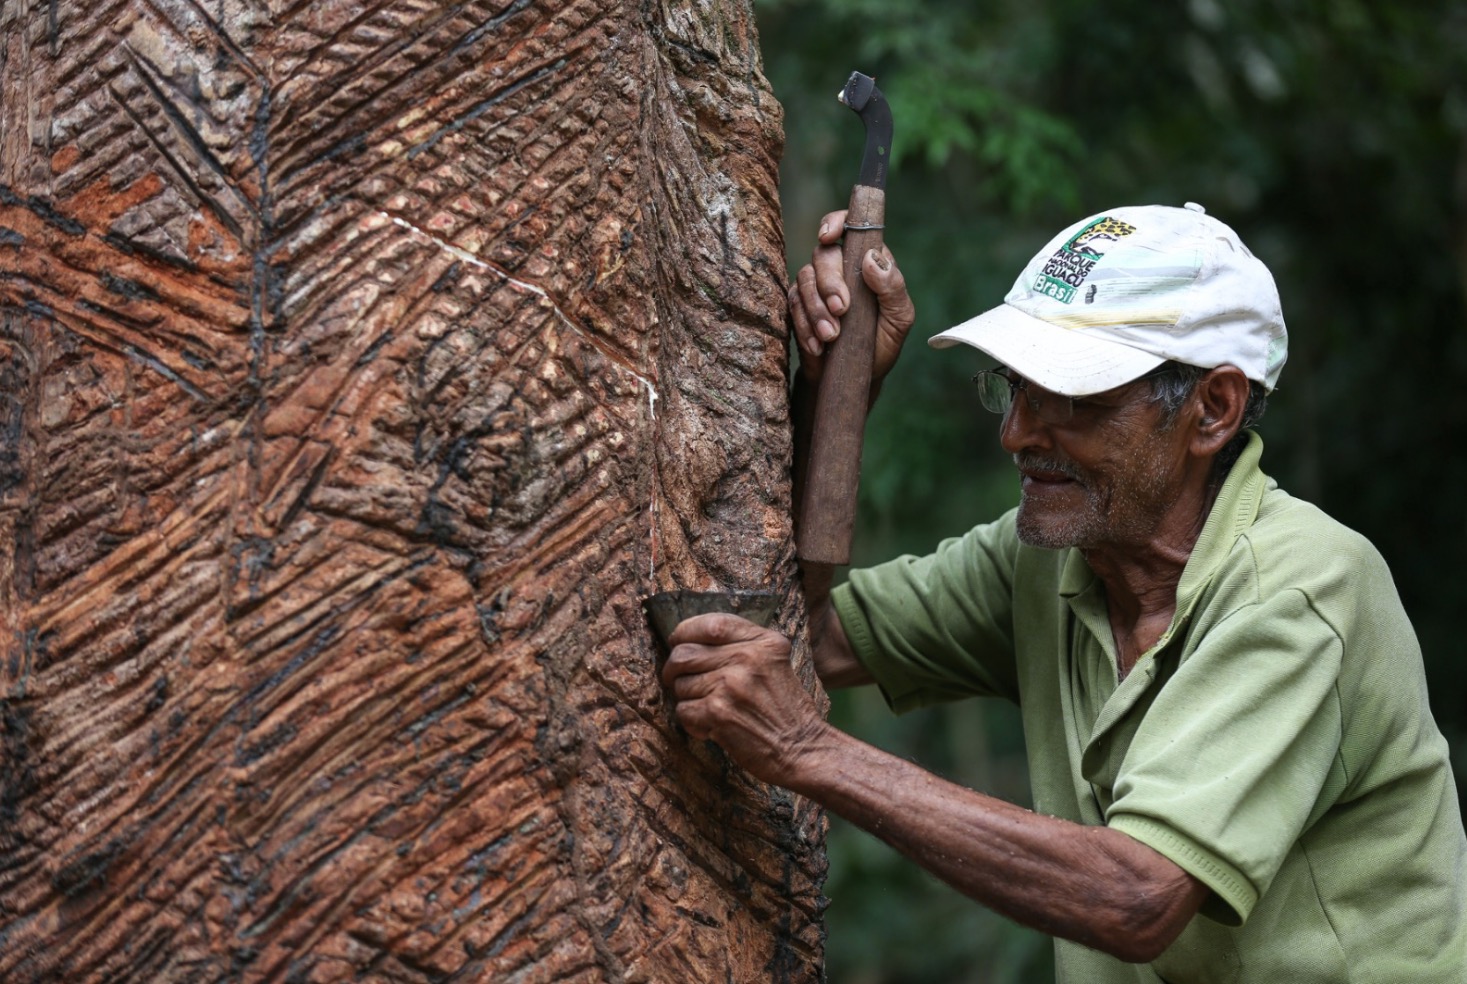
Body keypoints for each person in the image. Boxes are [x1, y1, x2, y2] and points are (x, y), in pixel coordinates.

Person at [660, 202, 1467, 982]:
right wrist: (837, 392)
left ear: (1212, 410)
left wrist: (807, 750)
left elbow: (1136, 896)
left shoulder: (1297, 588)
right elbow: (803, 634)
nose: (1016, 433)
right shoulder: (1052, 558)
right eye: (1012, 388)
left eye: (1074, 399)